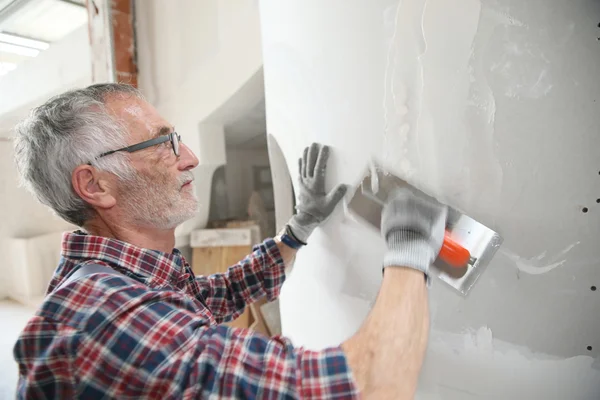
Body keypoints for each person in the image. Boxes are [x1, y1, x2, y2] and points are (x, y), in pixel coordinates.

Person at [13, 83, 447, 399]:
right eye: (162, 143)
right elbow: (370, 385)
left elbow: (224, 292)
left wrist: (299, 227)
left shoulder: (132, 278)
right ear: (95, 185)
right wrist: (409, 246)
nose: (191, 158)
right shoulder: (105, 315)